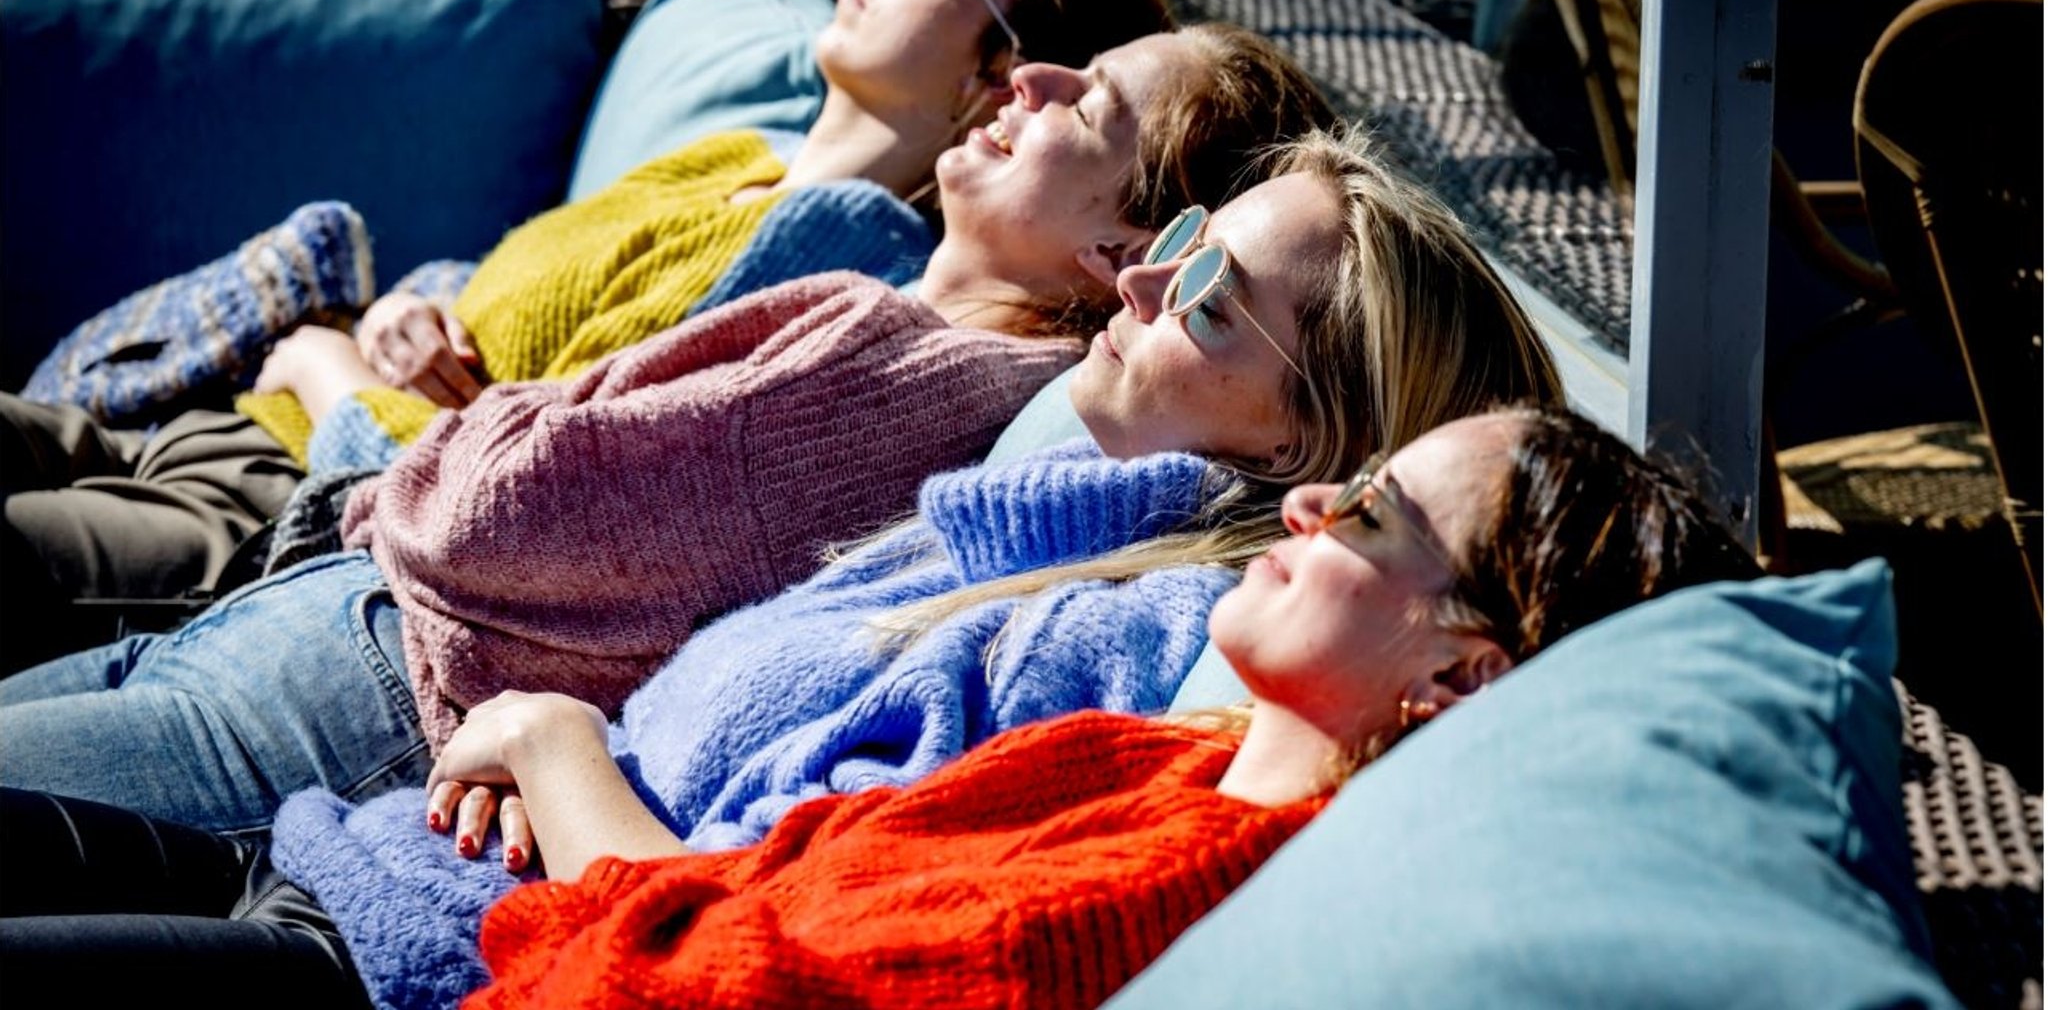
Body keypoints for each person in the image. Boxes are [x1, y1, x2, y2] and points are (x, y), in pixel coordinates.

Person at [0, 405, 1764, 1010]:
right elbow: (769, 886)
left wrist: (561, 755)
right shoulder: (1152, 757)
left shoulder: (1188, 883)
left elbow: (720, 976)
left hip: (399, 956)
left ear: (1459, 669)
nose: (1308, 503)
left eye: (1365, 508)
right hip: (377, 863)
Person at [0, 56, 1344, 835]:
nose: (1030, 75)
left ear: (1119, 252)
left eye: (1088, 102)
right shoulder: (917, 343)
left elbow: (493, 507)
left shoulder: (913, 374)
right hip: (330, 619)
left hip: (346, 688)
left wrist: (421, 411)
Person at [0, 0, 1179, 663]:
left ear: (1000, 78)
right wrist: (410, 305)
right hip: (218, 423)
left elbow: (508, 492)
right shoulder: (736, 160)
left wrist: (328, 362)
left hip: (282, 513)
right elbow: (512, 296)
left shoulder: (839, 263)